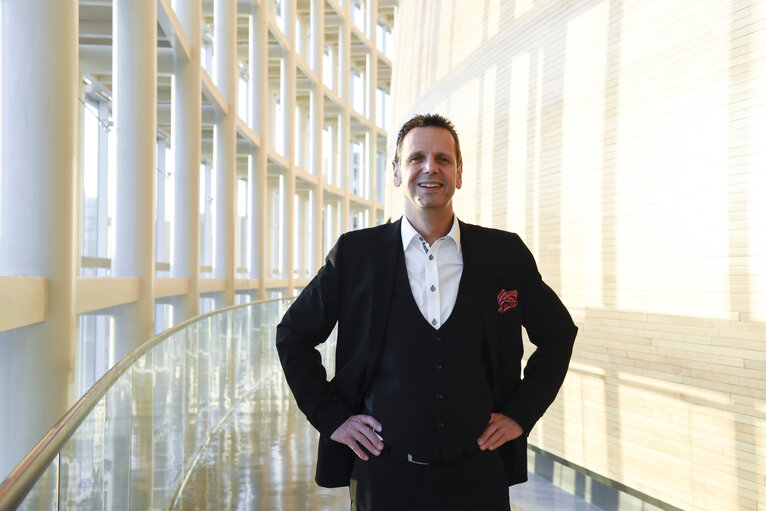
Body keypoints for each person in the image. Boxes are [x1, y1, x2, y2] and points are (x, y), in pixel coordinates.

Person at [276, 113, 577, 510]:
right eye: (416, 157)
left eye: (443, 159)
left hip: (479, 476)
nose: (430, 168)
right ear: (397, 172)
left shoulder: (504, 255)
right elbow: (293, 336)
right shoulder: (355, 255)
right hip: (383, 476)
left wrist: (521, 414)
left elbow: (558, 335)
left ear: (459, 173)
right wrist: (333, 418)